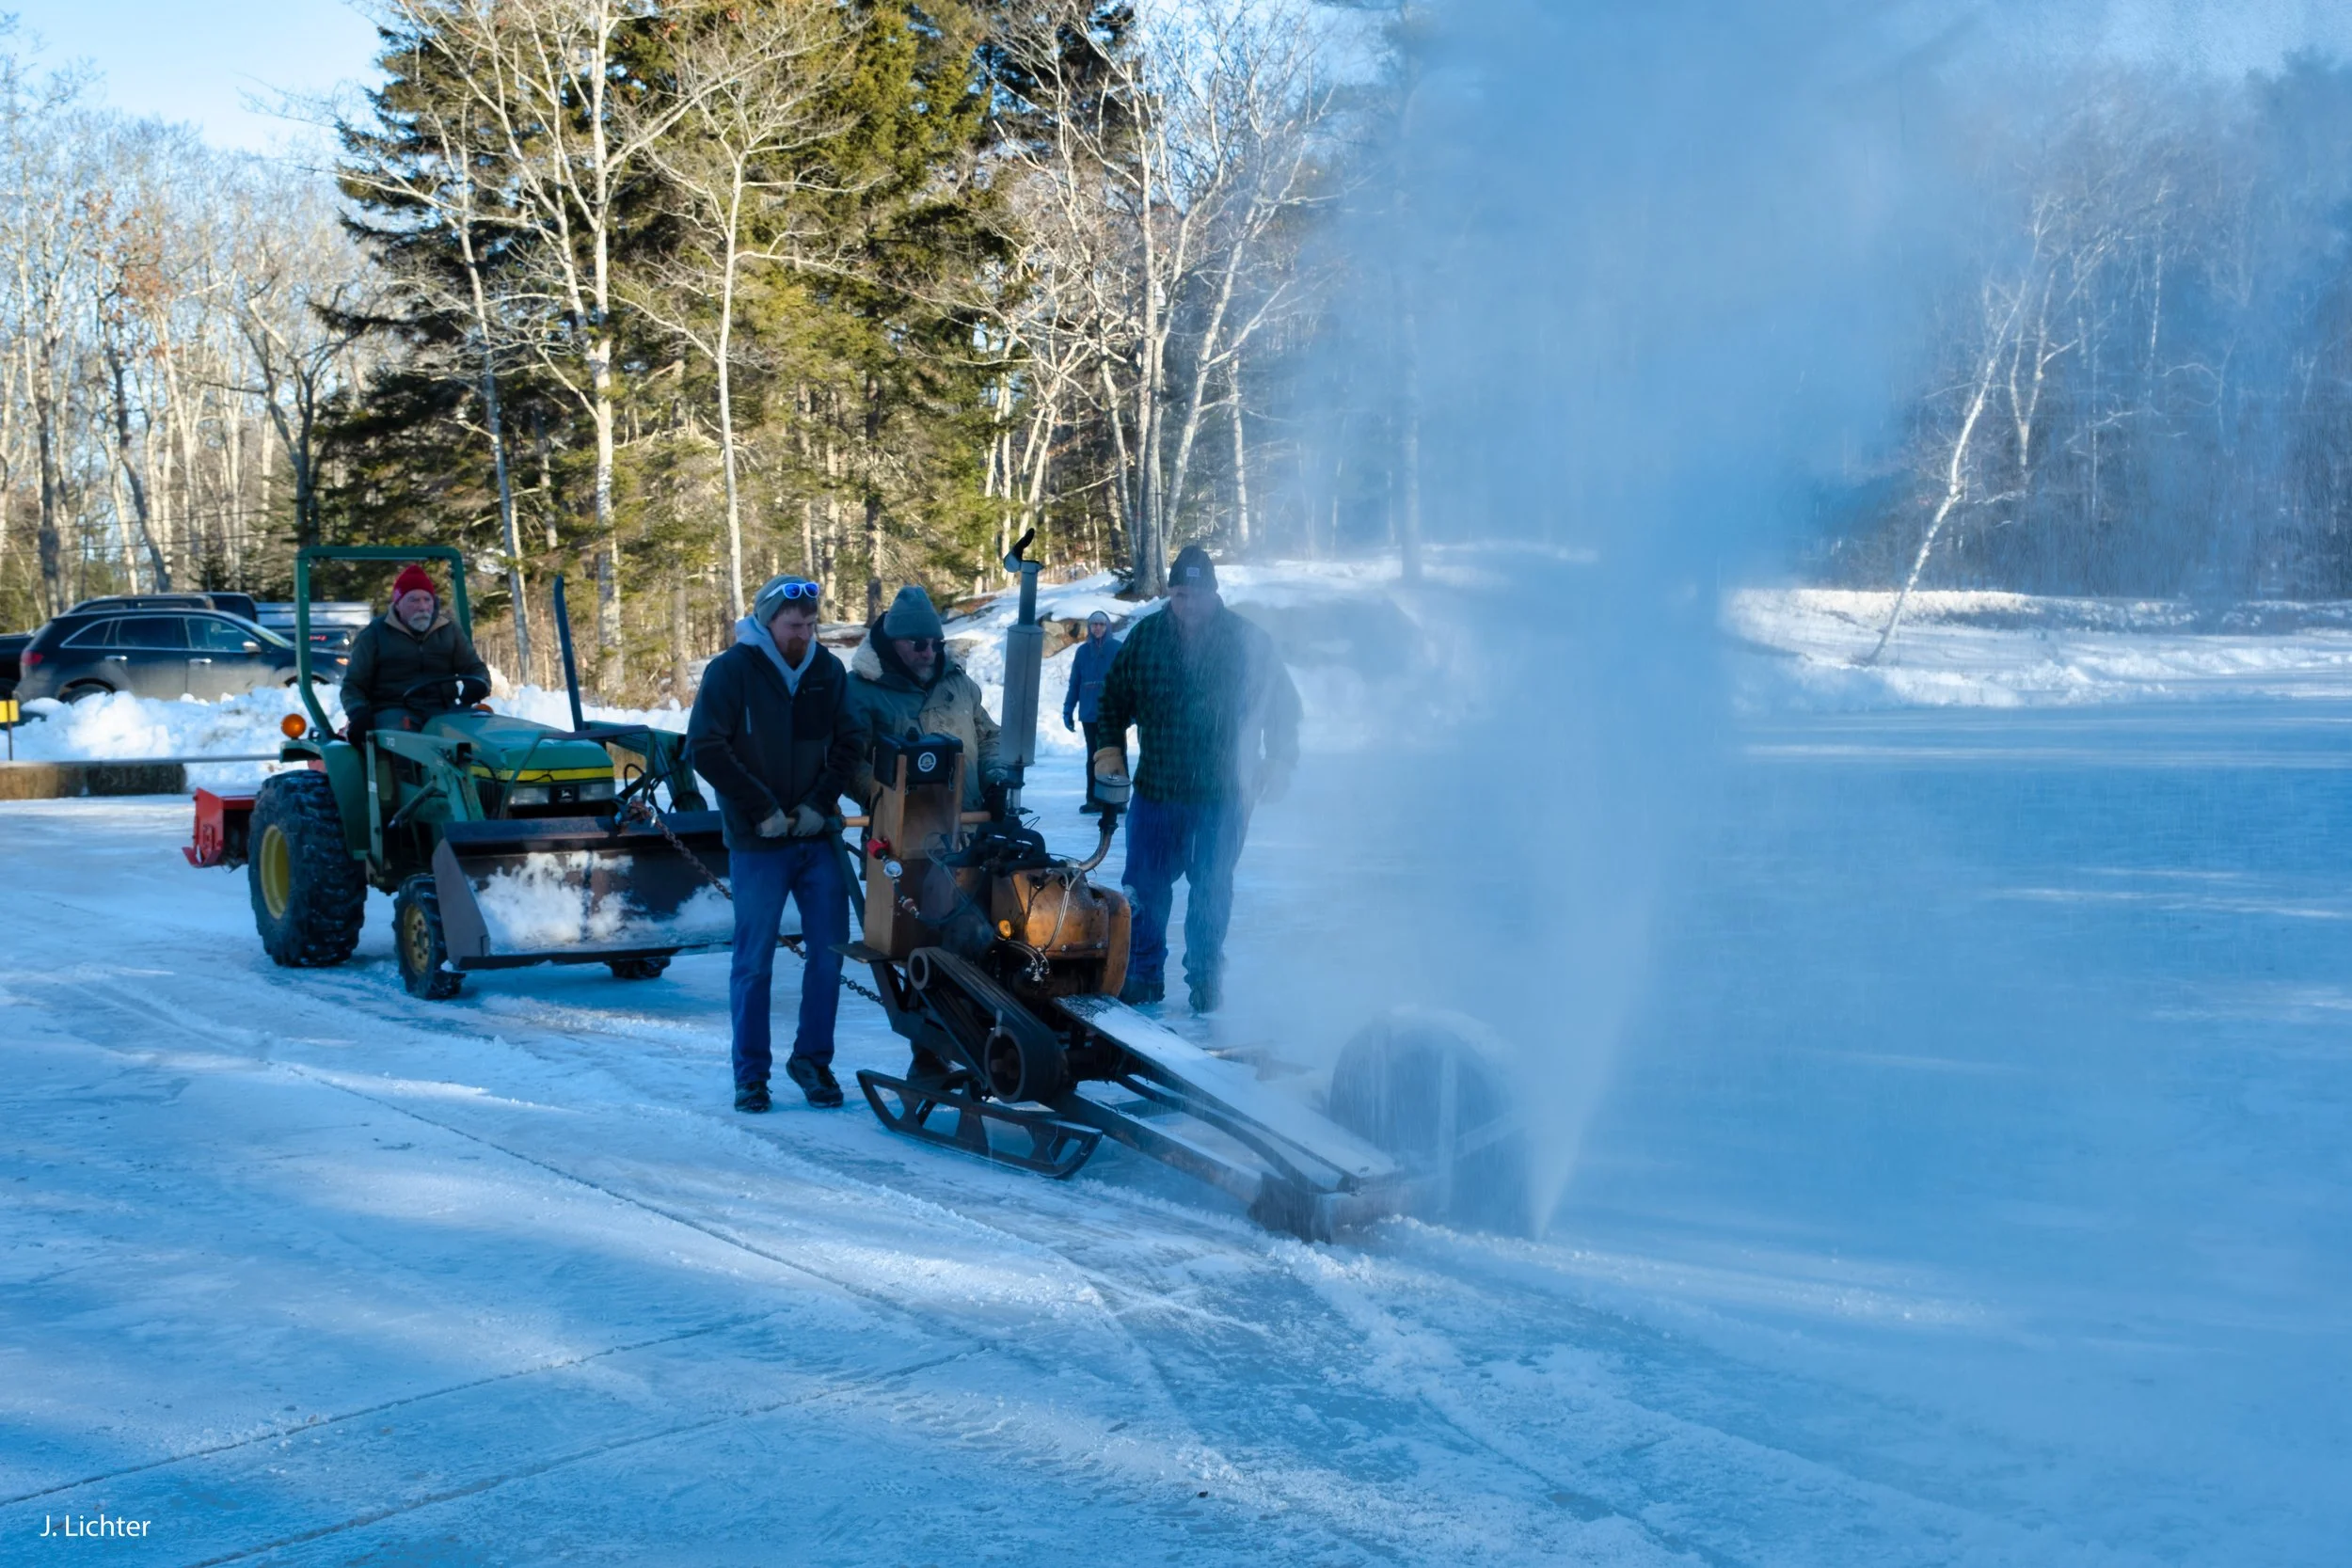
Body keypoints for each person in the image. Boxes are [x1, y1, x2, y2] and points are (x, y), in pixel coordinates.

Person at [1092, 546, 1300, 1014]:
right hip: (1157, 795)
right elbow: (1111, 705)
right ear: (1170, 592)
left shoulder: (1248, 641)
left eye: (1198, 594)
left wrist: (1281, 759)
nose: (1189, 605)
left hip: (1222, 798)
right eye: (1180, 594)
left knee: (1211, 889)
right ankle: (1144, 975)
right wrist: (1108, 751)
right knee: (1144, 889)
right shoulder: (1145, 640)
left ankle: (1206, 979)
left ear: (1214, 592)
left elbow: (1283, 707)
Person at [687, 574, 863, 1113]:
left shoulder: (827, 672)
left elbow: (850, 742)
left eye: (811, 625)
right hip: (758, 843)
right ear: (767, 621)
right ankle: (751, 1074)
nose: (804, 635)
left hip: (816, 838)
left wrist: (818, 804)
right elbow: (706, 748)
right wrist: (760, 809)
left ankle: (812, 1059)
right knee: (754, 960)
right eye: (794, 625)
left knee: (830, 955)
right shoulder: (730, 672)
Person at [844, 585, 1006, 814]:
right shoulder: (861, 690)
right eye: (919, 644)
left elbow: (989, 737)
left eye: (936, 644)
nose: (929, 653)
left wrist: (994, 780)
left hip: (969, 831)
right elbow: (845, 758)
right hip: (900, 835)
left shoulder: (958, 683)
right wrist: (882, 798)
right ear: (893, 641)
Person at [339, 563, 490, 739]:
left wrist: (479, 683)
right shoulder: (375, 634)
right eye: (414, 600)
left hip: (443, 709)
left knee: (479, 739)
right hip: (393, 710)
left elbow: (474, 667)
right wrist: (358, 712)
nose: (422, 606)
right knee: (407, 743)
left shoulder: (449, 630)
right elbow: (352, 685)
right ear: (398, 604)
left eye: (427, 599)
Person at [1061, 610, 1122, 815]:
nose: (1098, 628)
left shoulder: (1117, 648)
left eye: (1101, 624)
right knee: (1093, 757)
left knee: (1114, 755)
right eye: (1094, 624)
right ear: (1089, 627)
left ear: (1107, 627)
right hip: (1089, 713)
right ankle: (1094, 799)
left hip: (1113, 713)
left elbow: (1128, 681)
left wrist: (1130, 710)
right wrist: (1068, 710)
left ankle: (1117, 799)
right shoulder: (1082, 652)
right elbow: (1075, 683)